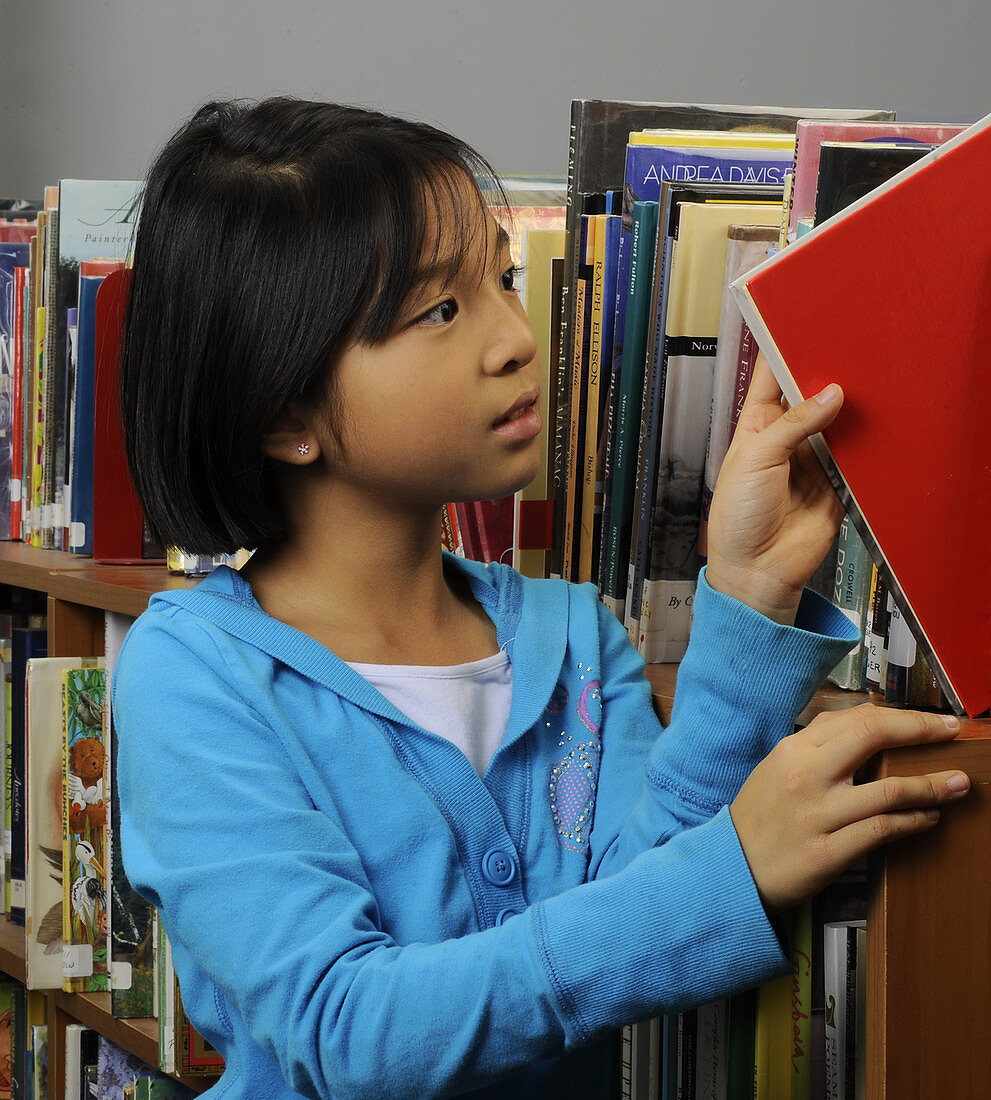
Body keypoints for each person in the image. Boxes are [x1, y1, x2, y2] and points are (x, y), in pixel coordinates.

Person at [111, 97, 970, 1100]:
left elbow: (640, 901)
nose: (517, 338)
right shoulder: (196, 673)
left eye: (503, 281)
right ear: (283, 411)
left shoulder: (571, 636)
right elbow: (341, 1027)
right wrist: (734, 868)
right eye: (441, 309)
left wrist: (745, 589)